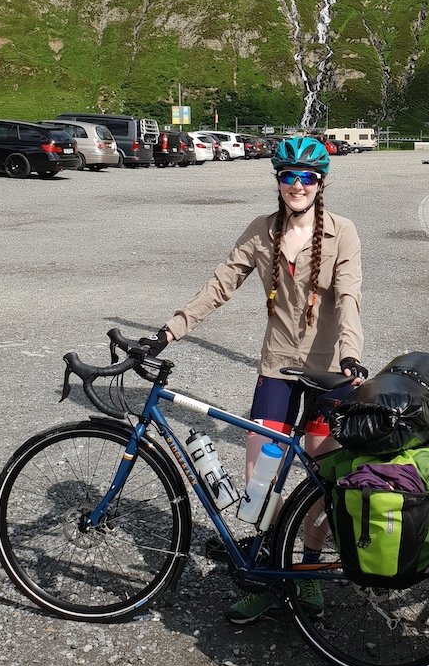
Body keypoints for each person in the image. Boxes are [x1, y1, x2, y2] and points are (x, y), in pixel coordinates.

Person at [154, 134, 364, 625]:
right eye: (288, 176)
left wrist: (352, 356)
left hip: (330, 373)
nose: (297, 185)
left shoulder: (343, 233)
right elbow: (219, 286)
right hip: (276, 369)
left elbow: (350, 297)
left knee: (323, 483)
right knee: (260, 482)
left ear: (320, 183)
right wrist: (169, 331)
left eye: (306, 177)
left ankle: (307, 574)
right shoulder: (261, 232)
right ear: (278, 181)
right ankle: (269, 574)